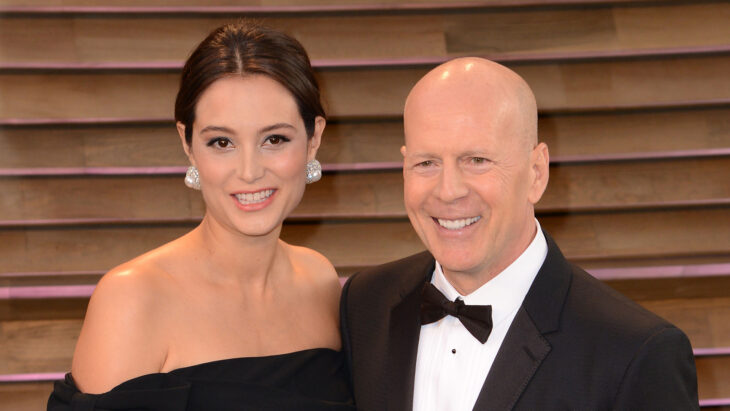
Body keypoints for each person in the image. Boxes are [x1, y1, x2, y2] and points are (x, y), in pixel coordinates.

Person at [339, 57, 699, 410]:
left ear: (536, 173)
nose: (448, 191)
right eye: (426, 163)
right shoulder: (365, 303)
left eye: (477, 160)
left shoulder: (637, 353)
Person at [48, 22, 354, 410]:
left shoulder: (321, 281)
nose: (249, 170)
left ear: (314, 140)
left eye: (274, 139)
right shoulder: (133, 298)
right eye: (221, 142)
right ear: (188, 144)